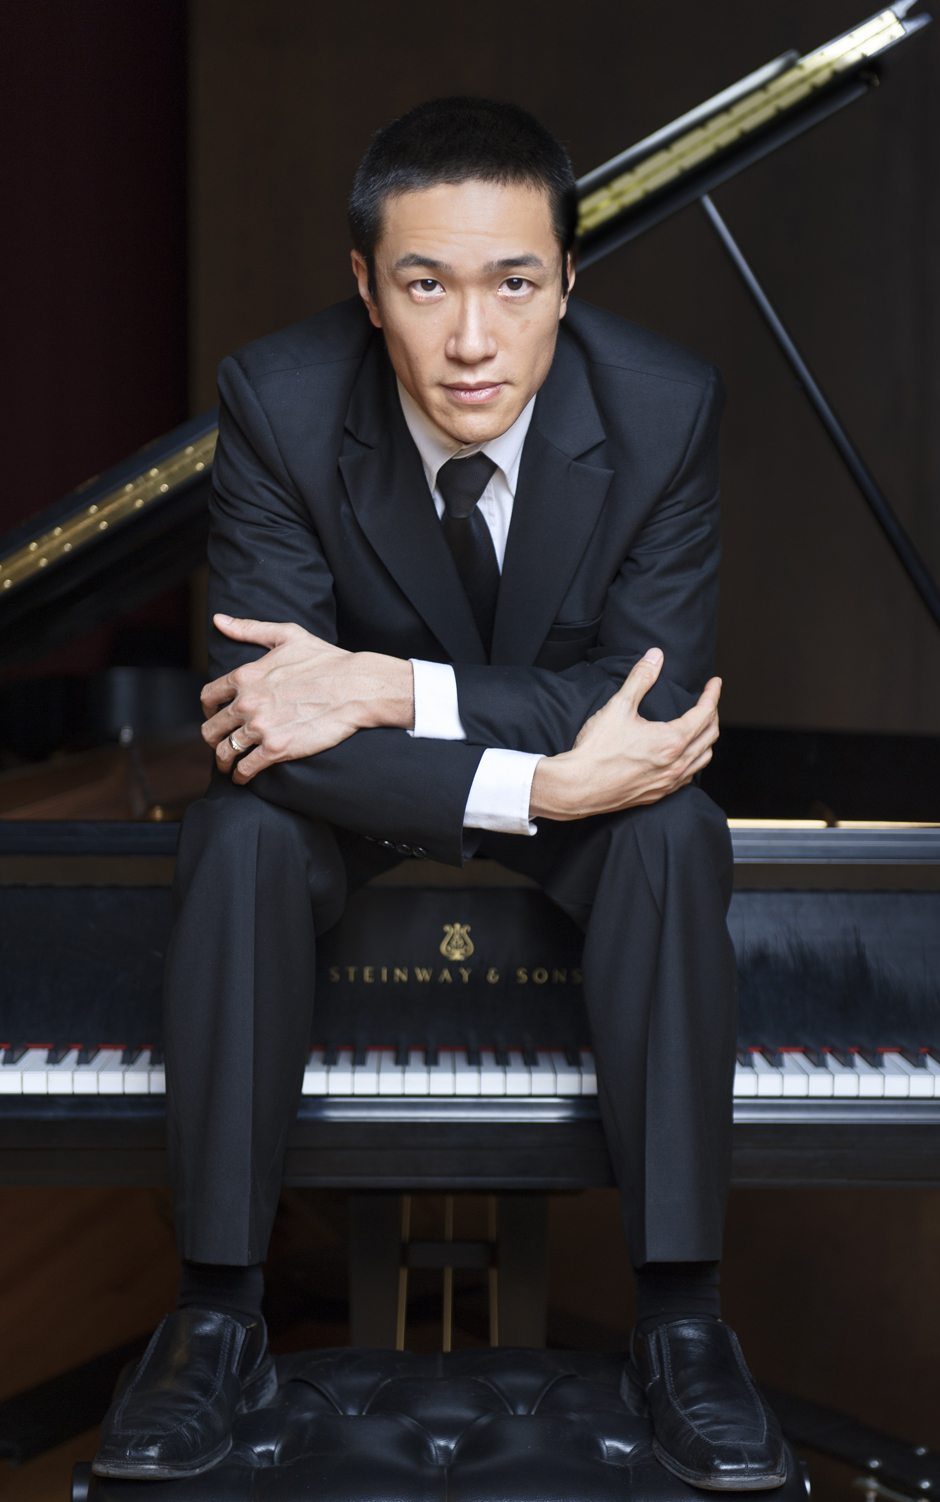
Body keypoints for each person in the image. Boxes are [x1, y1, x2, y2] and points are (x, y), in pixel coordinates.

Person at [94, 97, 785, 1490]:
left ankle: (682, 1318)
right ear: (366, 288)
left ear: (567, 280)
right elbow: (259, 724)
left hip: (525, 791)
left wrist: (386, 687)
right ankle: (216, 1309)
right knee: (237, 830)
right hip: (364, 812)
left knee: (672, 828)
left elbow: (643, 706)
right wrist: (535, 781)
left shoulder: (663, 411)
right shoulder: (279, 401)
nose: (473, 339)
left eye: (514, 284)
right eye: (426, 286)